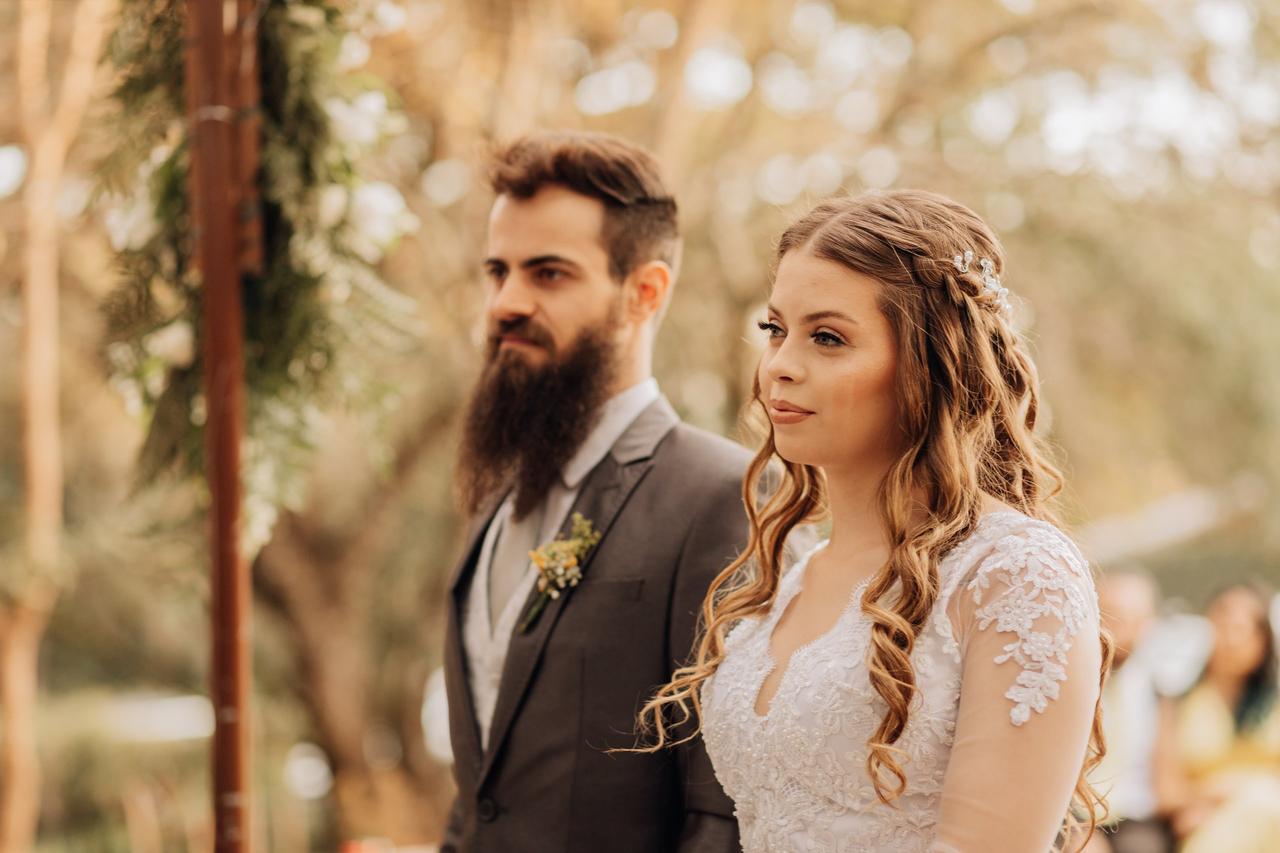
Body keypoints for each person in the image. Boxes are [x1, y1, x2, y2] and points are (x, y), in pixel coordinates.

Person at [639, 190, 1110, 852]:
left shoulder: (1015, 575)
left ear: (932, 364)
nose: (780, 365)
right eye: (775, 330)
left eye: (827, 337)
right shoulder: (796, 576)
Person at [439, 130, 745, 853]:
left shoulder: (720, 496)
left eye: (548, 274)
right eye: (497, 271)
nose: (505, 303)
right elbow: (479, 795)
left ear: (645, 292)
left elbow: (721, 815)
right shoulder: (494, 502)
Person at [1154, 581, 1280, 852]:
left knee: (1264, 803)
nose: (1231, 640)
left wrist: (1227, 791)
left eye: (1242, 629)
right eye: (1222, 625)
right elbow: (1167, 793)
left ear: (1264, 639)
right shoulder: (1176, 700)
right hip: (1205, 825)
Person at [1090, 571, 1174, 853]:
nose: (1114, 629)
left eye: (1127, 619)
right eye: (1107, 615)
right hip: (1074, 814)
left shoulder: (1158, 689)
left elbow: (1166, 775)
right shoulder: (1070, 684)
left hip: (1135, 817)